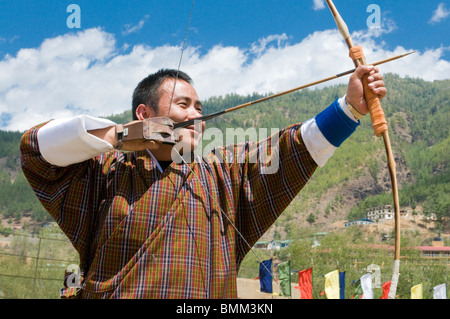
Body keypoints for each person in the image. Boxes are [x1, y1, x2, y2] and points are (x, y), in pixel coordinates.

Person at [20, 66, 386, 299]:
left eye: (199, 107)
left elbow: (291, 149)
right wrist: (121, 135)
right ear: (144, 114)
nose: (198, 115)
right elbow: (35, 150)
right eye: (184, 105)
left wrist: (350, 107)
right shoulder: (106, 171)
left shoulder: (224, 173)